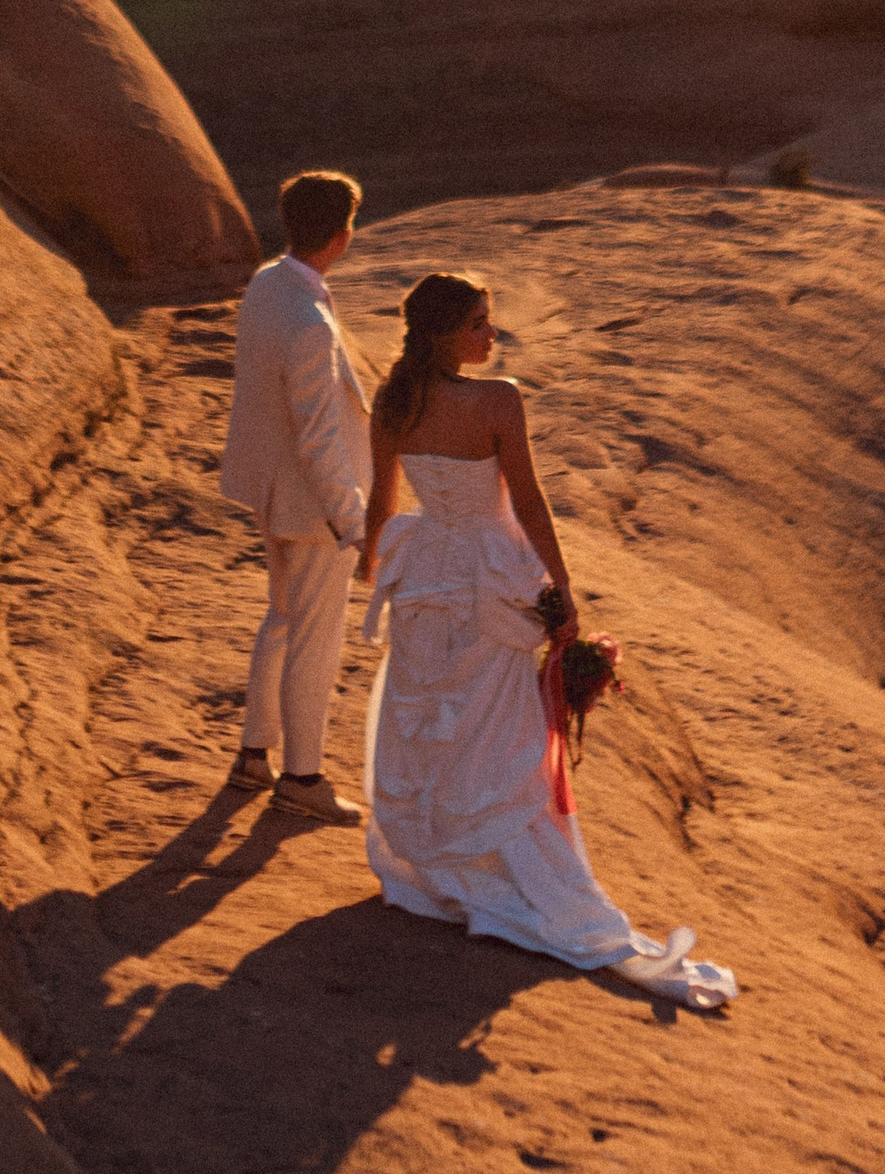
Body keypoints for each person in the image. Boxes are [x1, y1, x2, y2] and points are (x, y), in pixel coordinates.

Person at [356, 272, 734, 1008]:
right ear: (444, 334)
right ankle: (506, 878)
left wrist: (373, 563)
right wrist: (561, 589)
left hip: (429, 575)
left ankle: (445, 872)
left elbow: (382, 499)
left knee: (436, 721)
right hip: (489, 577)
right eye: (478, 322)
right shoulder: (497, 400)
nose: (491, 335)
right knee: (498, 730)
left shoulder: (394, 401)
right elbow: (527, 498)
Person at [218, 168, 373, 824]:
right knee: (315, 637)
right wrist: (354, 520)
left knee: (282, 619)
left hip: (269, 488)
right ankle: (301, 776)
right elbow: (317, 438)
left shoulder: (266, 282)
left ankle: (256, 754)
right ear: (343, 234)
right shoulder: (309, 318)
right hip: (313, 506)